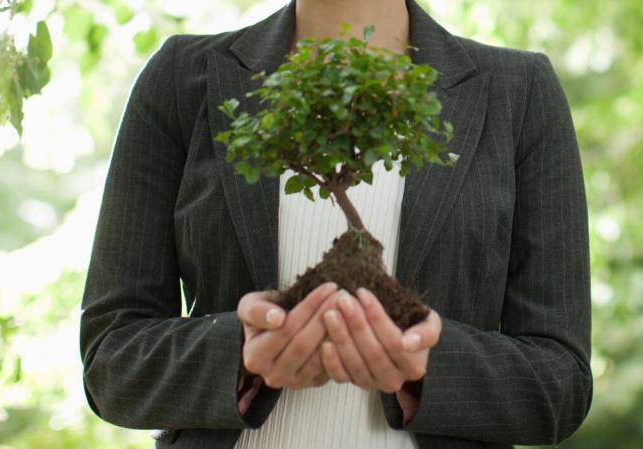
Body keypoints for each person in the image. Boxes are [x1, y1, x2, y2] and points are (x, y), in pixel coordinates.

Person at [78, 0, 593, 448]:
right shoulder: (181, 79)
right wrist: (239, 354)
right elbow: (111, 362)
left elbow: (560, 384)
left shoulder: (519, 92)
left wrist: (428, 363)